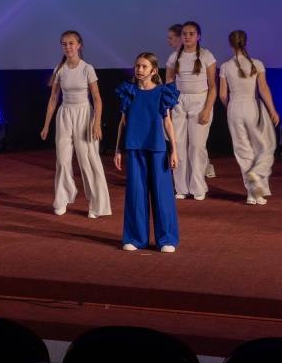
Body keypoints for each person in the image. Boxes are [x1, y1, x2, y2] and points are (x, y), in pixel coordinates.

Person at [40, 31, 112, 219]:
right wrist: (46, 125)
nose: (68, 47)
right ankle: (62, 199)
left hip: (84, 115)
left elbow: (97, 99)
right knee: (63, 161)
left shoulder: (87, 68)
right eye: (64, 44)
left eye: (71, 43)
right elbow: (53, 99)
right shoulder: (59, 69)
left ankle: (96, 205)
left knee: (87, 162)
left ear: (79, 45)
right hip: (65, 115)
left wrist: (97, 123)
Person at [114, 53, 180, 252]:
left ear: (153, 70)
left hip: (157, 148)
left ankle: (166, 239)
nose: (139, 70)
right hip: (134, 148)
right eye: (137, 66)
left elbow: (168, 123)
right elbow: (123, 123)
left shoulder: (162, 92)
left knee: (162, 194)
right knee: (135, 193)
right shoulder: (129, 91)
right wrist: (118, 149)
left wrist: (174, 151)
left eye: (144, 66)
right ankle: (135, 238)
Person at [219, 30, 280, 205]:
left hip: (234, 108)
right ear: (246, 42)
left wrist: (230, 108)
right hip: (252, 106)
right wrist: (272, 110)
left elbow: (223, 95)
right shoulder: (257, 64)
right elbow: (263, 88)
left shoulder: (225, 66)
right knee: (263, 146)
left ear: (230, 44)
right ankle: (258, 180)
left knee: (243, 150)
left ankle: (252, 194)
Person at [165, 21, 217, 199]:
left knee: (196, 146)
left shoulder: (206, 56)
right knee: (178, 144)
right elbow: (169, 83)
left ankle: (198, 188)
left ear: (198, 36)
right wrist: (169, 108)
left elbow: (213, 87)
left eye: (191, 34)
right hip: (179, 101)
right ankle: (181, 188)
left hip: (200, 101)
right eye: (184, 34)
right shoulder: (174, 57)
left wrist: (207, 109)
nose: (187, 37)